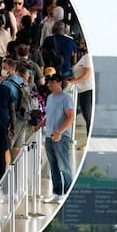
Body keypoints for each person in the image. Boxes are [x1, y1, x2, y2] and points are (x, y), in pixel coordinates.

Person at [42, 74, 76, 202]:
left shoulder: (66, 98)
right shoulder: (50, 98)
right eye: (49, 82)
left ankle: (68, 193)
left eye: (52, 82)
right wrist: (40, 125)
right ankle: (57, 192)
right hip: (49, 136)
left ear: (59, 83)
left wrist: (60, 132)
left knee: (64, 166)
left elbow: (71, 117)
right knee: (53, 166)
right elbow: (49, 116)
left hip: (60, 137)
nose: (49, 85)